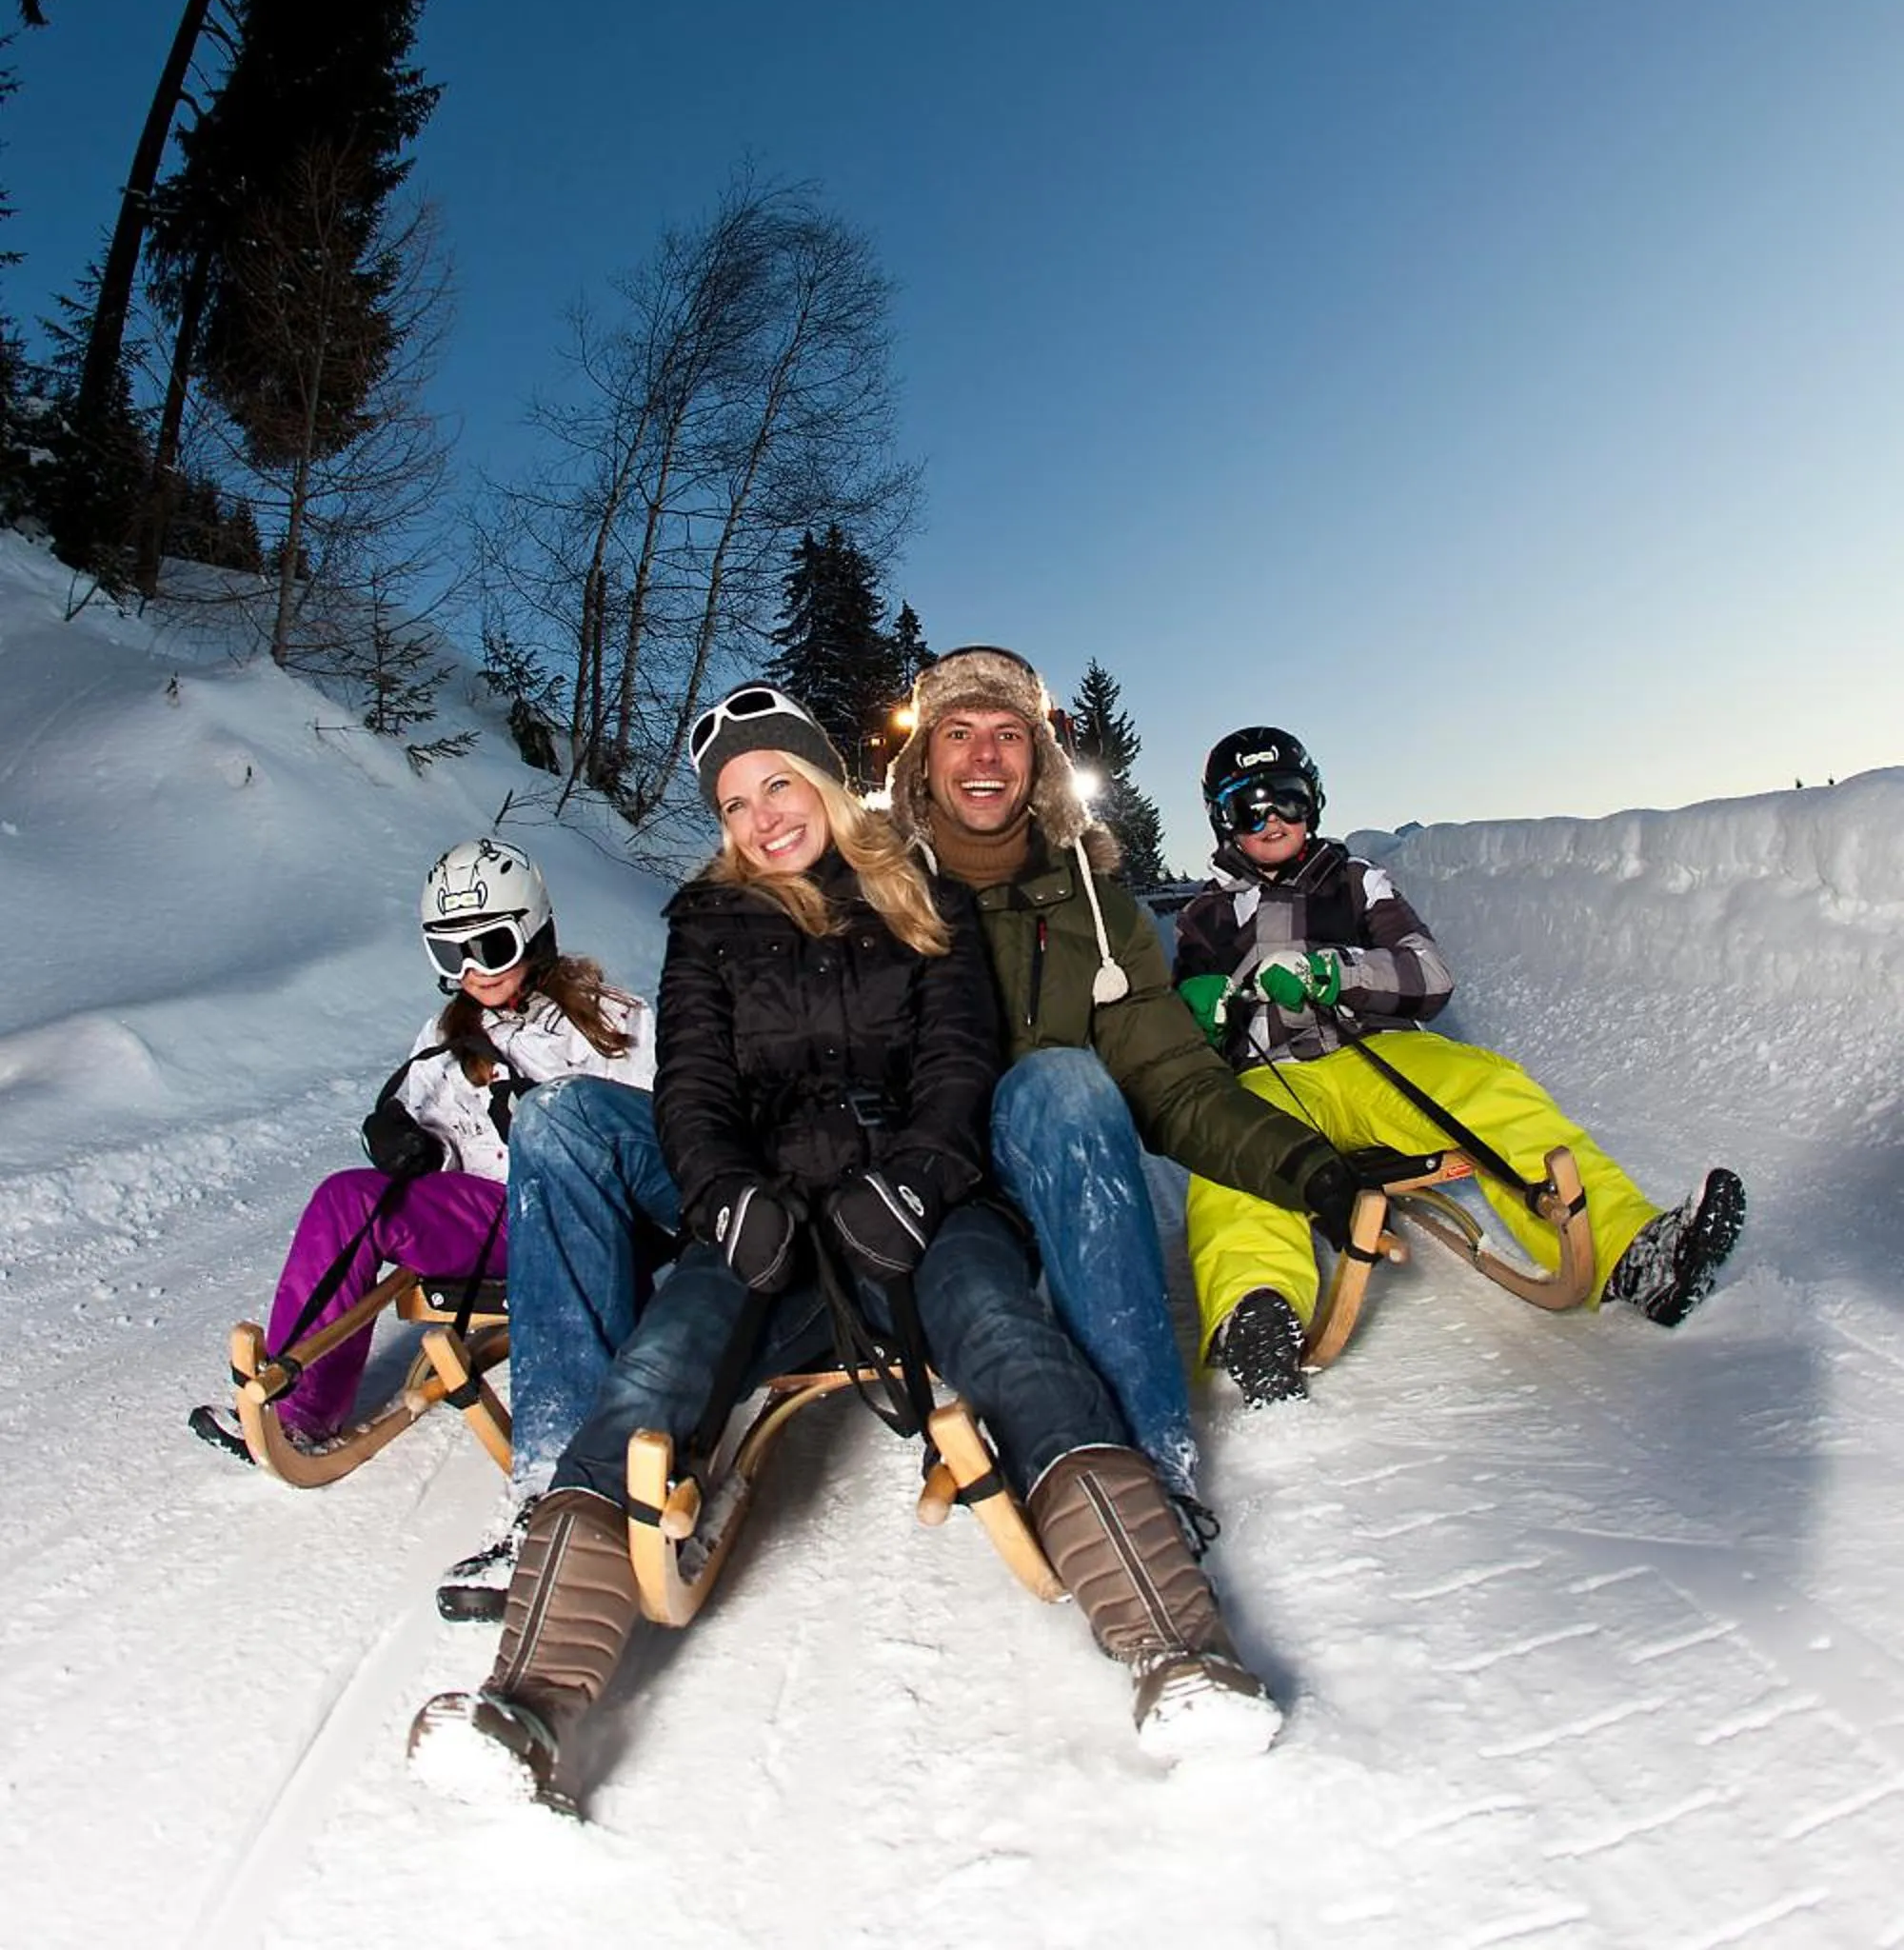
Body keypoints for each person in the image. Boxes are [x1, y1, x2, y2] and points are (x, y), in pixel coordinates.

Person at [408, 687, 1278, 1808]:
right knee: (658, 1374)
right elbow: (693, 1094)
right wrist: (723, 1196)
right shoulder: (705, 923)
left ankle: (1179, 1652)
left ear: (820, 779)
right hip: (766, 1222)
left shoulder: (916, 897)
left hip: (916, 1211)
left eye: (778, 783)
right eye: (734, 804)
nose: (763, 817)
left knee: (1013, 1345)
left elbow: (961, 1061)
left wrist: (918, 1178)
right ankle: (522, 1704)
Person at [883, 647, 1398, 1497]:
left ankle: (1157, 1476)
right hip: (912, 1189)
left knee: (1068, 1084)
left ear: (1040, 762)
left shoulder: (1095, 908)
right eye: (959, 733)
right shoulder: (869, 893)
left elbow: (1174, 1079)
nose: (984, 757)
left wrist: (1311, 1170)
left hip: (1041, 1166)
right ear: (923, 761)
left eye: (1008, 734)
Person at [1175, 726, 1749, 1403]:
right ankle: (1256, 1310)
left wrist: (1338, 970)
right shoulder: (1203, 919)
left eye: (1289, 801)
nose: (1272, 821)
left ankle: (1630, 1254)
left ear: (1315, 804)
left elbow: (1430, 971)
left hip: (1377, 1052)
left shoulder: (1355, 882)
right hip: (1275, 1074)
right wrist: (1197, 1012)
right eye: (1251, 808)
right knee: (1233, 1149)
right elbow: (1177, 1050)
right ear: (1223, 820)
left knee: (1487, 1087)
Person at [188, 837, 664, 1462]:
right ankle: (299, 1410)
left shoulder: (610, 1021)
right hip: (486, 1218)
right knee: (349, 1198)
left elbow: (648, 1138)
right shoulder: (444, 1035)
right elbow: (428, 1131)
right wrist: (408, 1145)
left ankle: (584, 1439)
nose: (474, 968)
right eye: (452, 952)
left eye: (491, 946)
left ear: (535, 933)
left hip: (577, 1221)